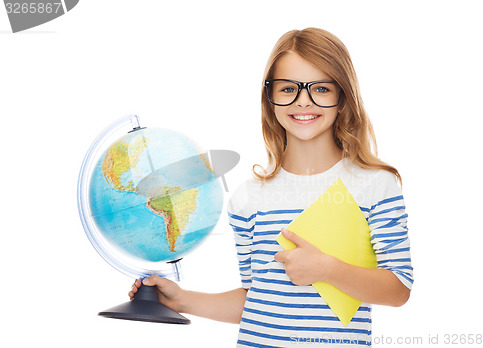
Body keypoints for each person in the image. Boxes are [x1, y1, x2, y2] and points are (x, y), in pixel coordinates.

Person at [130, 27, 413, 347]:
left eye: (320, 88)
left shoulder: (375, 185)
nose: (303, 101)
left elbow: (398, 288)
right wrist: (181, 301)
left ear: (342, 96)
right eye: (288, 88)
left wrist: (328, 270)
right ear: (270, 97)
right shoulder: (249, 197)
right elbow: (255, 300)